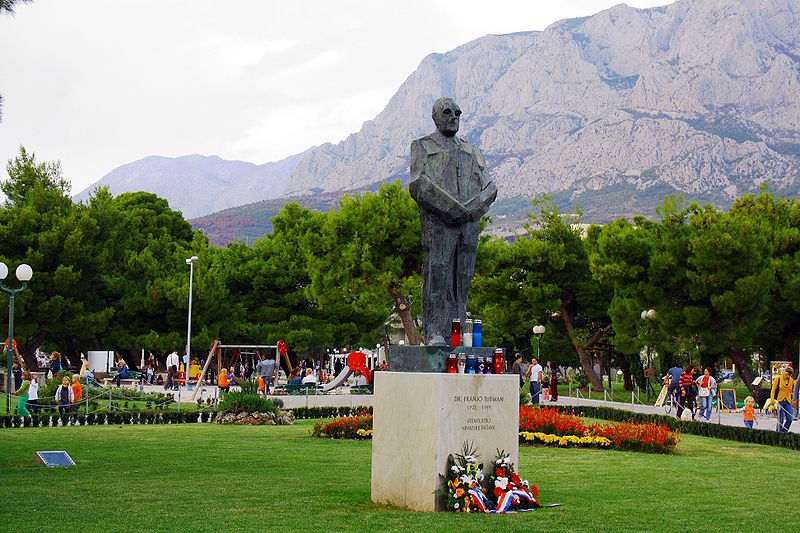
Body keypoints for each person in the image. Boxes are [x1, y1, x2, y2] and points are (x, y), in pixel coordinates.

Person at [409, 97, 497, 345]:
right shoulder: (423, 146)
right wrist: (451, 208)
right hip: (439, 226)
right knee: (437, 278)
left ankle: (456, 335)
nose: (453, 116)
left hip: (468, 227)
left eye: (457, 112)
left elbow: (490, 187)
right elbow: (419, 185)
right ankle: (435, 333)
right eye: (447, 112)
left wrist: (470, 210)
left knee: (463, 279)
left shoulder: (471, 150)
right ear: (435, 117)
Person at [770, 366, 795, 433]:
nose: (786, 375)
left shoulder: (791, 381)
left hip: (788, 401)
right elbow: (773, 390)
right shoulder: (778, 379)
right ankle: (778, 433)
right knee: (780, 420)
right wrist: (772, 399)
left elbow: (792, 390)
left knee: (790, 418)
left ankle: (784, 432)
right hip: (779, 401)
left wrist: (793, 399)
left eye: (788, 375)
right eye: (786, 373)